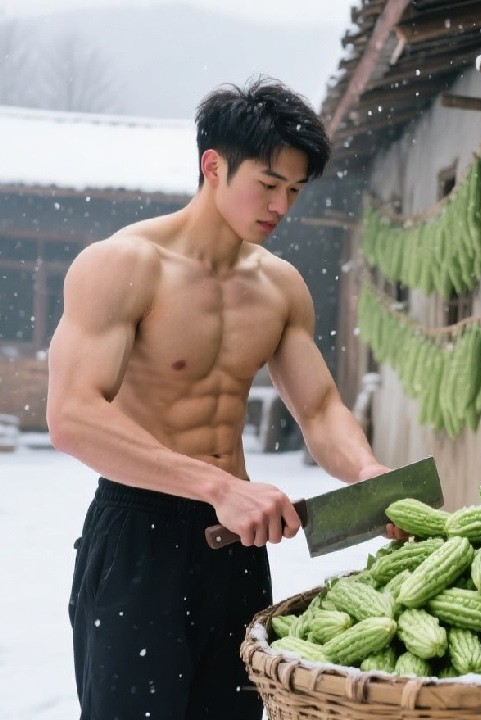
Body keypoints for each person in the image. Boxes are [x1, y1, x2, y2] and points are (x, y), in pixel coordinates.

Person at [46, 77, 404, 720]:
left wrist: (367, 475)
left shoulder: (278, 286)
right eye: (268, 185)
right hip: (139, 535)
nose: (282, 207)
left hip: (235, 544)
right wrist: (217, 486)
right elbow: (72, 416)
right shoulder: (122, 264)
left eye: (294, 190)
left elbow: (319, 408)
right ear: (213, 166)